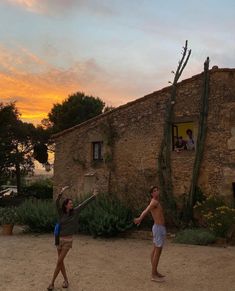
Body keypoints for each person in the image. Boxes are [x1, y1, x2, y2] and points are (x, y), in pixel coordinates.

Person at [47, 186, 99, 290]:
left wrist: (93, 196)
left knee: (59, 261)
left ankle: (52, 283)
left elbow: (84, 204)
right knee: (60, 262)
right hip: (59, 240)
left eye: (72, 203)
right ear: (66, 205)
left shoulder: (75, 212)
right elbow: (57, 202)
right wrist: (61, 192)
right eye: (70, 203)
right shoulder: (61, 213)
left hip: (68, 241)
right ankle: (66, 280)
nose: (72, 204)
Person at [134, 186, 166, 283]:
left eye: (157, 190)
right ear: (152, 194)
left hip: (160, 228)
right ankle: (153, 275)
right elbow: (146, 210)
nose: (157, 192)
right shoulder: (154, 202)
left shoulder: (156, 201)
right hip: (158, 228)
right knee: (157, 251)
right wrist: (140, 218)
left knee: (156, 250)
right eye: (154, 191)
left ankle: (155, 272)